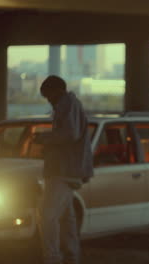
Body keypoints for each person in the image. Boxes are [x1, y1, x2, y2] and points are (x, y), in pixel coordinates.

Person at [34, 75, 93, 264]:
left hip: (63, 170)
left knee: (47, 216)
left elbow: (70, 133)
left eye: (49, 96)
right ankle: (71, 257)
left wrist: (44, 138)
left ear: (57, 91)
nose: (49, 101)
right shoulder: (69, 104)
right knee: (67, 220)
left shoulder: (67, 104)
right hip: (67, 169)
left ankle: (52, 258)